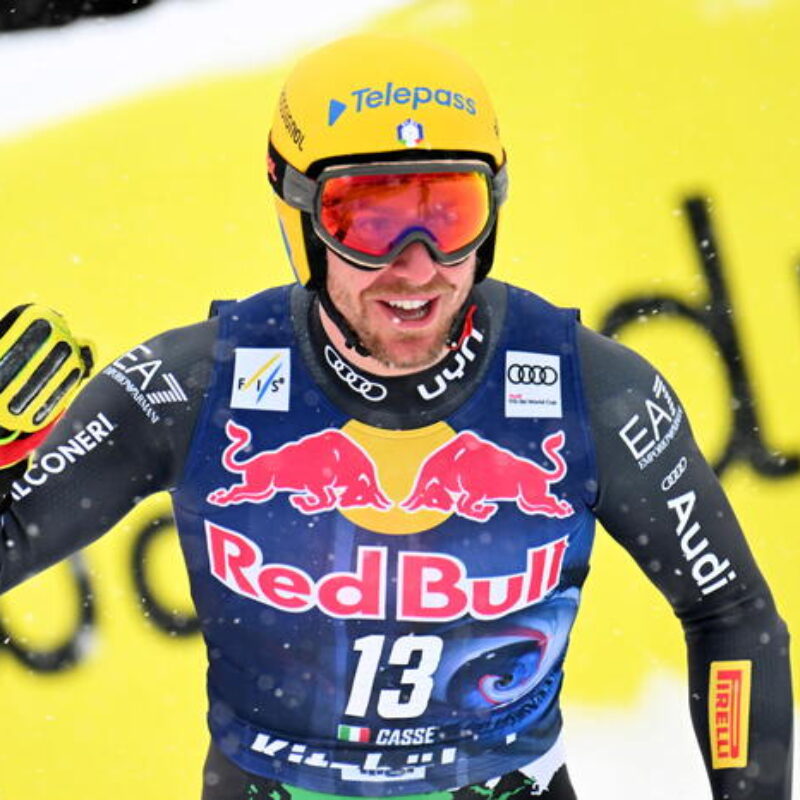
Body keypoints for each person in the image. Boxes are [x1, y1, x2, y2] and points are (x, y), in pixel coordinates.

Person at [0, 34, 792, 800]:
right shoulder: (193, 384)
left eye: (448, 213)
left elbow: (733, 616)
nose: (416, 267)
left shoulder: (592, 389)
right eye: (368, 220)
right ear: (299, 215)